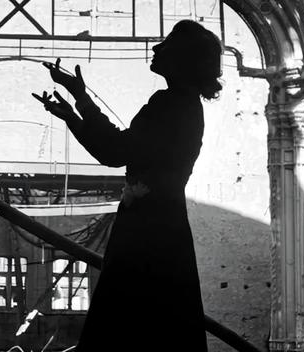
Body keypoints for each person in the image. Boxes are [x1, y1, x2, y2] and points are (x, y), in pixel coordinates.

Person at [32, 19, 222, 351]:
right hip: (162, 228)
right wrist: (76, 109)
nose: (156, 48)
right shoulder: (184, 105)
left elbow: (115, 151)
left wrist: (80, 101)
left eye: (166, 45)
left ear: (181, 60)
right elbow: (119, 149)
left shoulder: (170, 104)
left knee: (125, 325)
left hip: (147, 233)